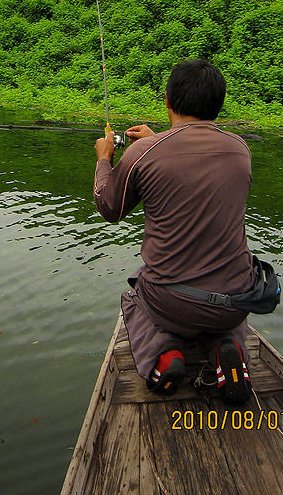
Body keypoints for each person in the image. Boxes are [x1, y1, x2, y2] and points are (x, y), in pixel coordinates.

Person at [93, 59, 253, 403]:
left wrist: (104, 159)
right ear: (218, 104)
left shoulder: (142, 153)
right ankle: (230, 351)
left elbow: (109, 207)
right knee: (223, 310)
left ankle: (164, 356)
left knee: (137, 291)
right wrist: (159, 140)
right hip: (236, 301)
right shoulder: (241, 150)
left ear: (167, 101)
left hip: (172, 302)